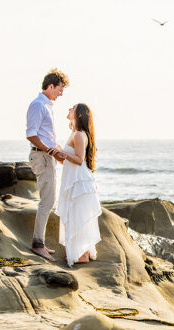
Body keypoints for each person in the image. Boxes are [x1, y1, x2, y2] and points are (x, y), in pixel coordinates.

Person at [25, 68, 70, 261]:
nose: (61, 94)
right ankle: (38, 244)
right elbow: (31, 134)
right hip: (41, 157)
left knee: (49, 200)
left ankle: (39, 242)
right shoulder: (38, 105)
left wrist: (58, 152)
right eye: (60, 89)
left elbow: (47, 136)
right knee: (47, 200)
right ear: (50, 86)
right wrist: (51, 151)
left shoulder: (47, 106)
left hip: (47, 156)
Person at [57, 103, 101, 266]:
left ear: (79, 115)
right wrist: (58, 154)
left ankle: (82, 254)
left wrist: (62, 153)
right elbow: (68, 161)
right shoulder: (74, 133)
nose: (69, 109)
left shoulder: (79, 135)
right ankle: (80, 252)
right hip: (73, 177)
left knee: (78, 215)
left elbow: (79, 159)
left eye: (72, 108)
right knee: (74, 214)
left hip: (79, 181)